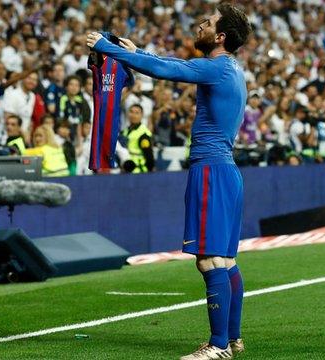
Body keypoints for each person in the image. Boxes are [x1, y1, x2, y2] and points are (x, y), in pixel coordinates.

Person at [87, 4, 250, 358]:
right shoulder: (231, 69)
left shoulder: (217, 67)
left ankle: (218, 346)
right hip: (227, 171)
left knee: (209, 261)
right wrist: (136, 52)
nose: (200, 26)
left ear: (220, 37)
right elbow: (171, 64)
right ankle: (233, 339)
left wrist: (106, 47)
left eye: (207, 23)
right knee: (226, 260)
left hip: (210, 171)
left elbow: (168, 69)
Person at [122, 104, 154, 173]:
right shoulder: (124, 132)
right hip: (126, 170)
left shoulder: (143, 134)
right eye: (131, 112)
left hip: (139, 171)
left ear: (142, 115)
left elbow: (149, 157)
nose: (133, 115)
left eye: (137, 113)